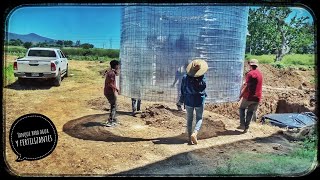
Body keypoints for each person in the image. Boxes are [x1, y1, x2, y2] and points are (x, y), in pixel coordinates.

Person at [180, 59, 208, 145]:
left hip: (188, 100)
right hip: (199, 100)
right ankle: (195, 133)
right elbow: (204, 88)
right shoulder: (202, 77)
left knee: (189, 119)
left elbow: (183, 90)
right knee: (199, 118)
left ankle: (189, 138)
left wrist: (182, 100)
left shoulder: (185, 77)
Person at [238, 59, 263, 133]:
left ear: (250, 65)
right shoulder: (260, 74)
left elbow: (246, 86)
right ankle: (246, 128)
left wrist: (240, 96)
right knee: (250, 112)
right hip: (257, 97)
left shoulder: (250, 74)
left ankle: (242, 124)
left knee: (241, 108)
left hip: (249, 96)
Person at [104, 60, 120, 127]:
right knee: (113, 106)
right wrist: (117, 89)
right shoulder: (111, 73)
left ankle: (112, 119)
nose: (119, 66)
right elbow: (110, 83)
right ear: (116, 65)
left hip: (108, 91)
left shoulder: (111, 72)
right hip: (109, 92)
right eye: (118, 65)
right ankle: (110, 121)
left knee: (113, 105)